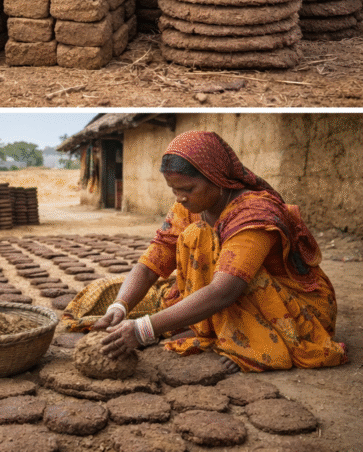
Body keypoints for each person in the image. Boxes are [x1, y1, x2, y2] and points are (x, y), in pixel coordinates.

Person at [88, 130, 347, 372]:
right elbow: (152, 261)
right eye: (174, 189)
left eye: (187, 189)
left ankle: (247, 341)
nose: (179, 197)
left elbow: (224, 291)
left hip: (292, 308)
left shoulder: (254, 216)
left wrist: (144, 330)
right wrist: (120, 307)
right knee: (109, 292)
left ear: (217, 178)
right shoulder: (189, 207)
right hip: (227, 291)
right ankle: (207, 325)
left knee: (200, 237)